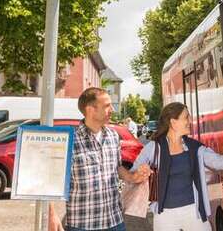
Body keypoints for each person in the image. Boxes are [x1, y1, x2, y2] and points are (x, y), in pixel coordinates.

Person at [130, 102, 223, 231]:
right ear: (173, 122)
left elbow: (221, 163)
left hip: (193, 211)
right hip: (165, 215)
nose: (190, 121)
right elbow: (133, 172)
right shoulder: (153, 148)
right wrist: (140, 172)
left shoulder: (195, 148)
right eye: (186, 117)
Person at [54, 87, 152, 231]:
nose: (112, 109)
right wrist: (52, 214)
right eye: (106, 106)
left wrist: (133, 177)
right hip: (82, 224)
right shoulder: (69, 140)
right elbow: (51, 179)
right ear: (90, 110)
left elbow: (117, 167)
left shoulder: (113, 136)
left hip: (114, 221)